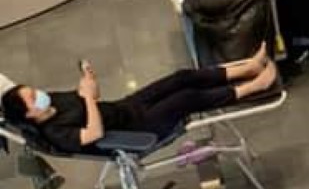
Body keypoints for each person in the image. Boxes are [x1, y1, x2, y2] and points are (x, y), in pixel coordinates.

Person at [1, 47, 279, 152]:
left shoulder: (52, 102)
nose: (38, 94)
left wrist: (89, 83)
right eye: (31, 98)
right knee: (186, 98)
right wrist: (87, 99)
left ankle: (248, 68)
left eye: (32, 90)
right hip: (137, 129)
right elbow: (94, 132)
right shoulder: (55, 132)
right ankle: (256, 85)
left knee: (180, 78)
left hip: (127, 107)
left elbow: (91, 97)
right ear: (28, 115)